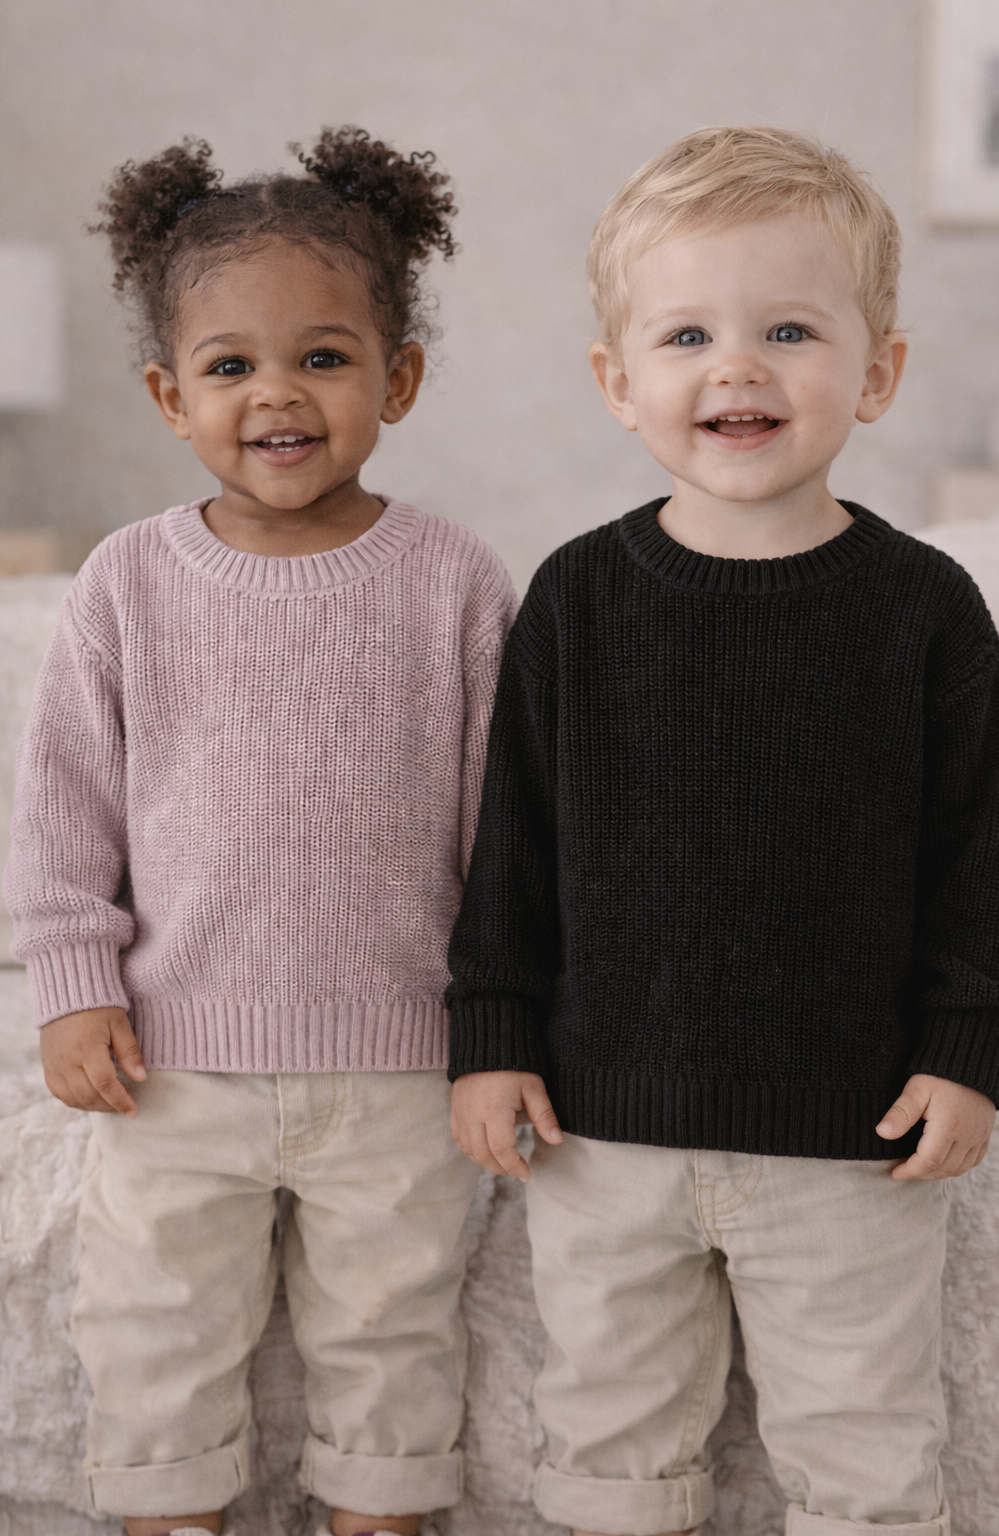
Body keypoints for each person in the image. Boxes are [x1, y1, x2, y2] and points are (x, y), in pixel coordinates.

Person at [446, 127, 999, 1536]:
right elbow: (509, 846)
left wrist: (970, 1053)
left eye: (790, 329)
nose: (737, 367)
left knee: (869, 1455)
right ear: (620, 383)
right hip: (605, 1136)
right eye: (689, 332)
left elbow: (987, 853)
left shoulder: (927, 608)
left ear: (876, 371)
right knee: (611, 1450)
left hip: (852, 1137)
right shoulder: (575, 600)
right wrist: (492, 1035)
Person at [5, 129, 516, 1536]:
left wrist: (513, 1019)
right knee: (153, 1337)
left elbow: (512, 831)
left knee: (395, 1346)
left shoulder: (459, 584)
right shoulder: (125, 584)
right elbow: (62, 811)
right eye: (230, 366)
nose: (276, 393)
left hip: (405, 1068)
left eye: (325, 357)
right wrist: (74, 986)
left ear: (395, 378)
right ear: (173, 396)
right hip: (177, 1067)